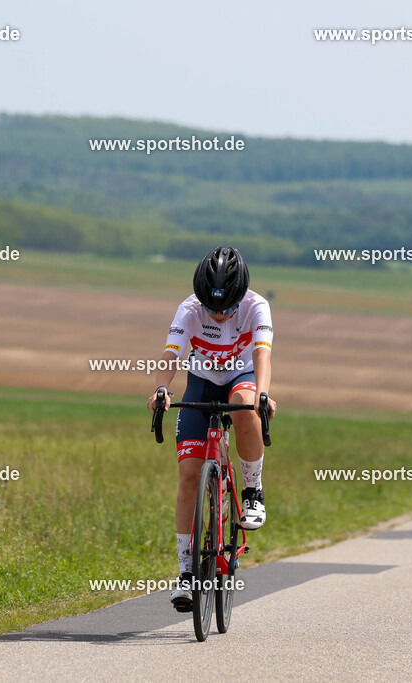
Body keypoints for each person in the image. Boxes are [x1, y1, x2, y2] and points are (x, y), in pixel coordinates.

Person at [145, 245, 276, 612]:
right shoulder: (189, 308)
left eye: (226, 309)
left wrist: (263, 395)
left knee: (245, 403)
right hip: (202, 382)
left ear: (241, 298)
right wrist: (161, 389)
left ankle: (253, 491)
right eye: (211, 308)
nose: (218, 316)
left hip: (241, 376)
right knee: (189, 475)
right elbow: (171, 354)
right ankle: (186, 574)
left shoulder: (256, 306)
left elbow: (262, 354)